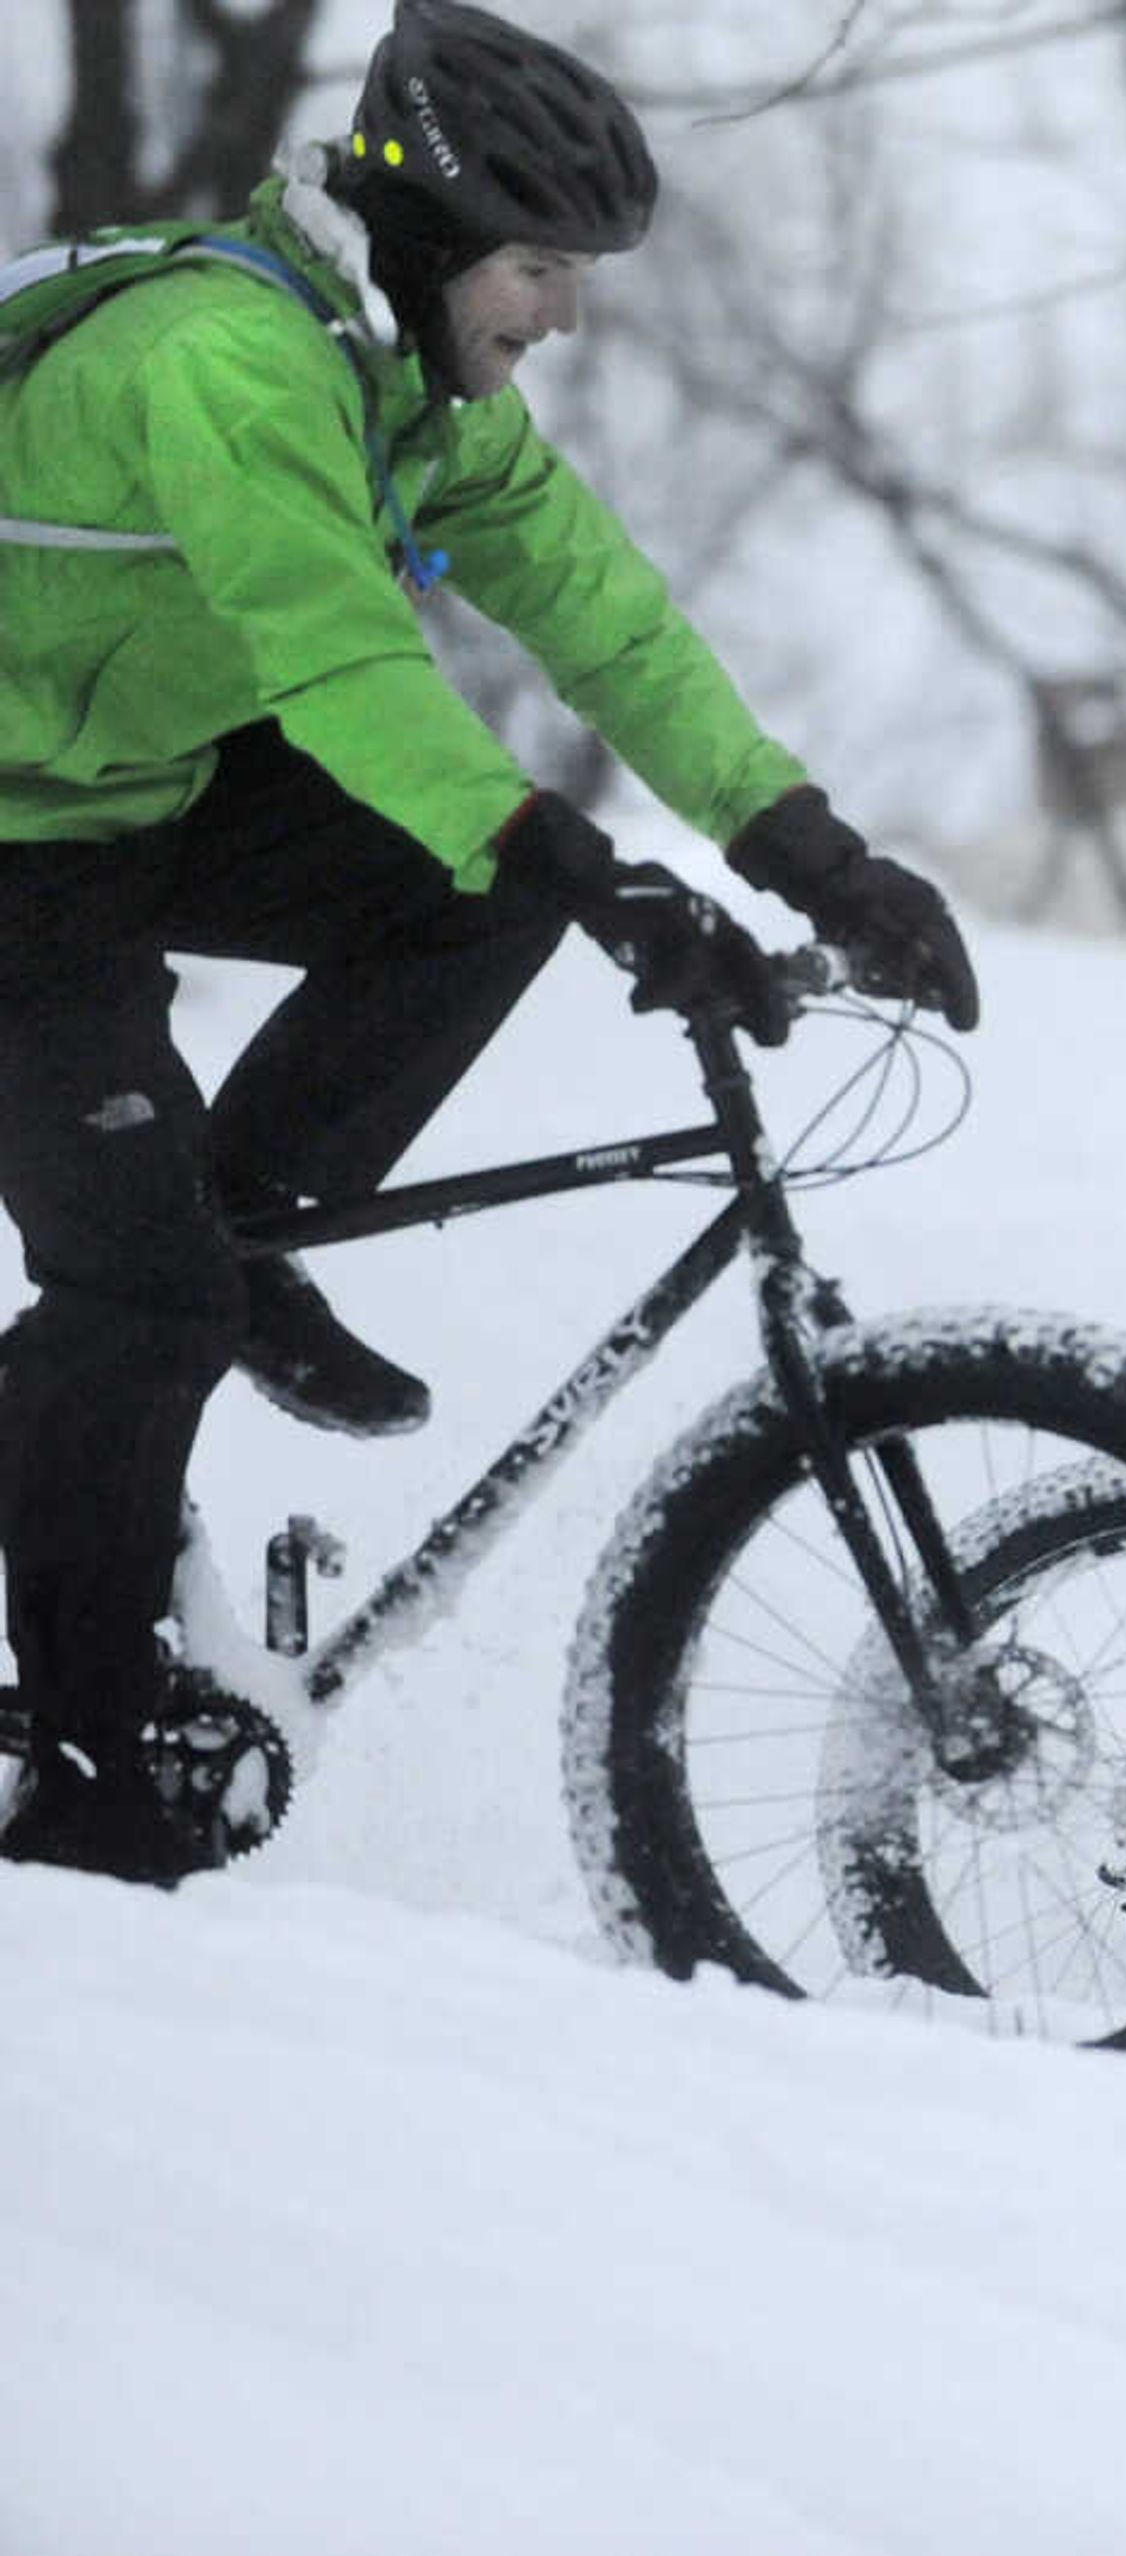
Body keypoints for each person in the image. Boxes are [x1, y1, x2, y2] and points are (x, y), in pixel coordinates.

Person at [0, 0, 977, 1886]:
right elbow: (339, 662)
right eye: (539, 269)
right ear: (439, 240)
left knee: (459, 905)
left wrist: (812, 852)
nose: (559, 315)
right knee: (142, 1302)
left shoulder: (414, 397)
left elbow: (606, 618)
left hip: (129, 790)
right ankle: (86, 1777)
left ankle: (249, 1219)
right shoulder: (227, 363)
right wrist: (580, 863)